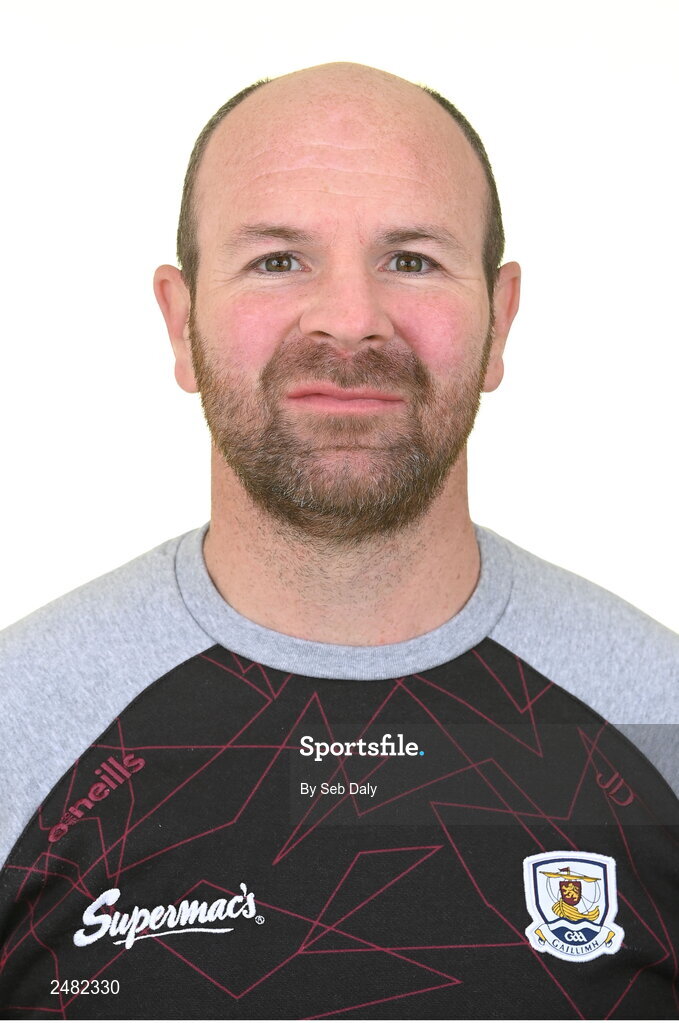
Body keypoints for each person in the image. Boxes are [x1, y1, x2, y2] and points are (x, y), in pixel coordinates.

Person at [0, 62, 677, 1020]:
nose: (351, 320)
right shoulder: (18, 726)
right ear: (181, 320)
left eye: (412, 259)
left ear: (498, 322)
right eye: (278, 259)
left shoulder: (660, 720)